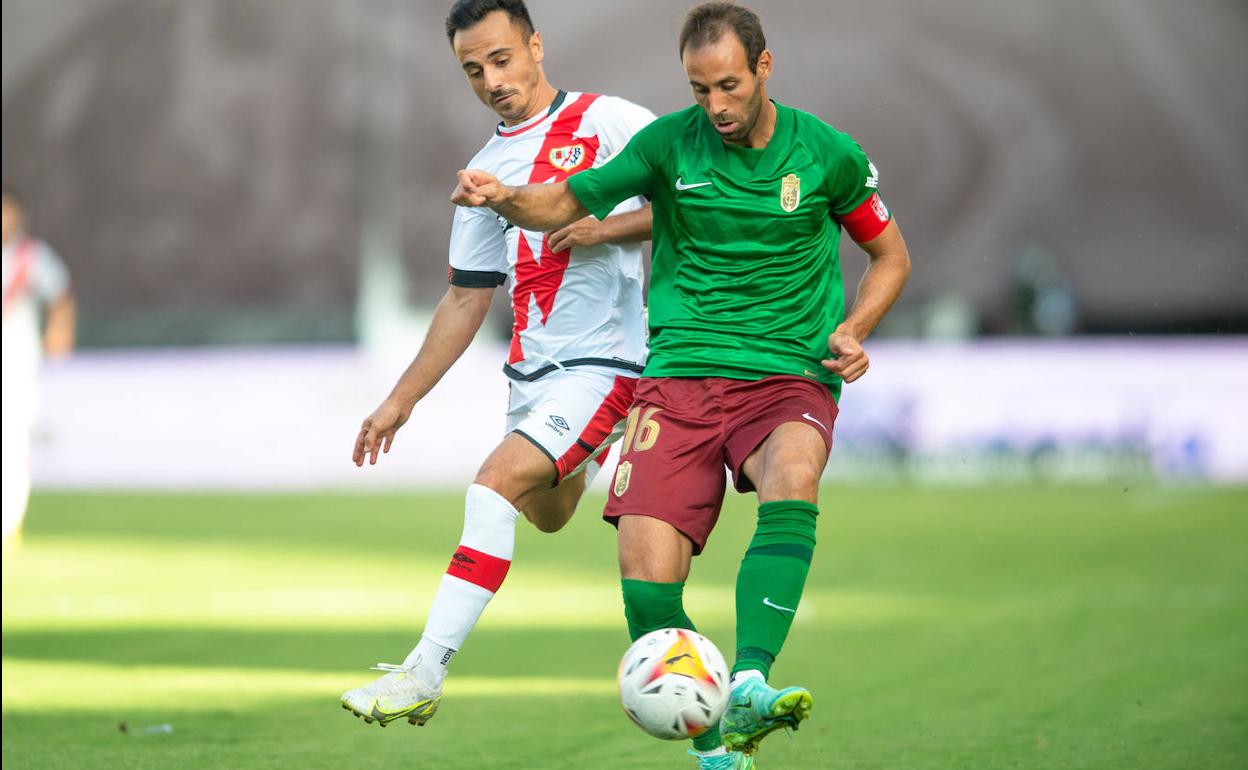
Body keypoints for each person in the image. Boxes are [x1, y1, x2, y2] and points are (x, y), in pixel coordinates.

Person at [451, 3, 911, 766]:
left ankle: (754, 679)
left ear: (765, 67)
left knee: (793, 477)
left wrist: (855, 327)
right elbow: (563, 203)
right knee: (643, 573)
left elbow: (890, 255)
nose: (717, 108)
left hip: (788, 372)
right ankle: (713, 746)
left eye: (729, 87)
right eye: (700, 91)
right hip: (679, 378)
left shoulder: (826, 153)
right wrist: (504, 197)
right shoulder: (668, 145)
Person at [340, 0, 657, 729]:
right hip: (531, 376)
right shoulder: (484, 173)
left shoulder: (611, 121)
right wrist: (400, 400)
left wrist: (607, 227)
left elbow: (692, 200)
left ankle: (422, 671)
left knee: (491, 488)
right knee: (547, 515)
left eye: (502, 59)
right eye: (473, 70)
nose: (491, 79)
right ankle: (603, 445)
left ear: (536, 46)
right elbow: (463, 301)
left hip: (607, 361)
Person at [2, 186, 76, 552]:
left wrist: (59, 331)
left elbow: (61, 295)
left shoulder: (31, 257)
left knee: (12, 440)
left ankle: (9, 520)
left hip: (15, 360)